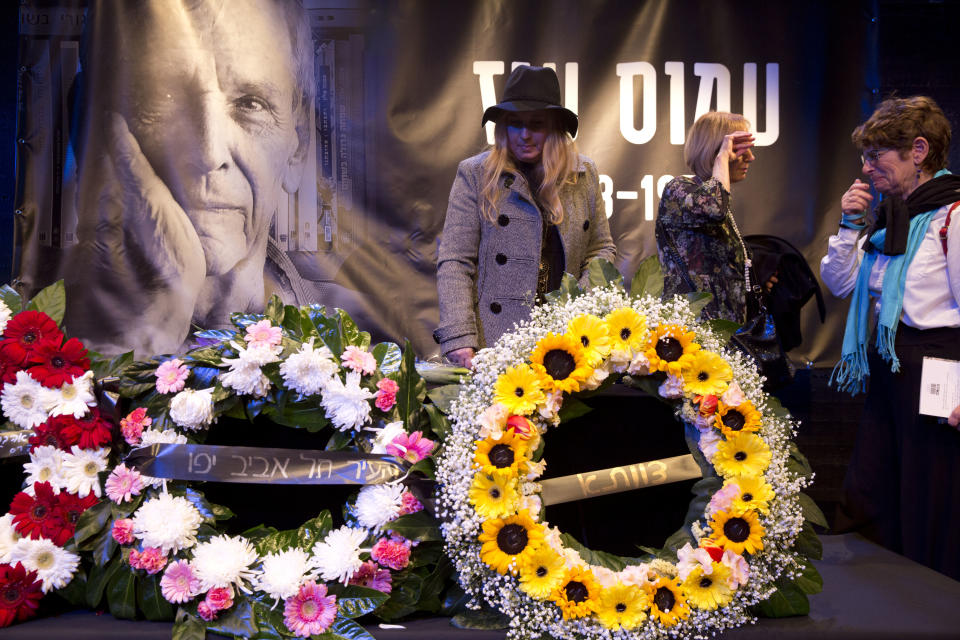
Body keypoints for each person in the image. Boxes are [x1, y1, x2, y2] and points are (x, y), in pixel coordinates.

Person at [62, 0, 313, 356]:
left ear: (298, 144)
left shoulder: (368, 338)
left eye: (250, 104)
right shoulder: (27, 327)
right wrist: (154, 315)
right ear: (89, 126)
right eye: (164, 98)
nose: (209, 154)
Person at [820, 95, 960, 580]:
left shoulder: (953, 215)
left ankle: (934, 607)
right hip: (891, 365)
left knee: (929, 497)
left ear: (918, 151)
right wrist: (848, 226)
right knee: (873, 488)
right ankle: (878, 600)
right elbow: (841, 283)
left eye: (876, 155)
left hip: (938, 368)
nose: (866, 166)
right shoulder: (890, 219)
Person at [435, 65, 616, 368]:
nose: (525, 134)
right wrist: (460, 336)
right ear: (503, 126)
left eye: (536, 124)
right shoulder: (476, 174)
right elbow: (455, 259)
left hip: (566, 341)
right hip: (493, 343)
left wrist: (581, 308)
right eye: (515, 123)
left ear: (555, 128)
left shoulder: (583, 174)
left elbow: (601, 249)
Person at [655, 112, 764, 324]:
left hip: (726, 334)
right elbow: (714, 209)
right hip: (694, 335)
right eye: (740, 150)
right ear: (714, 151)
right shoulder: (679, 189)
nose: (751, 157)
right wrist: (722, 157)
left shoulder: (712, 199)